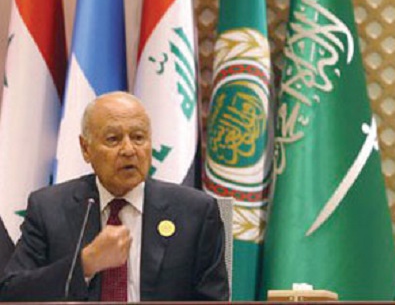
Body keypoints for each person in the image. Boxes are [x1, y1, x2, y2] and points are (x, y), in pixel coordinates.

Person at [0, 92, 228, 301]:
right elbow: (11, 292)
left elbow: (213, 299)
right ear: (86, 148)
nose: (129, 150)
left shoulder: (195, 212)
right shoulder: (49, 208)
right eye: (113, 139)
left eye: (138, 137)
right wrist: (84, 264)